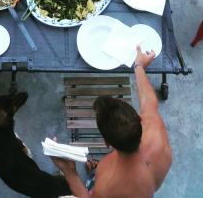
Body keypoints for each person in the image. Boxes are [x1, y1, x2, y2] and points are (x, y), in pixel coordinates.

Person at [51, 46, 172, 197]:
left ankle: (91, 177)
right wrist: (139, 66)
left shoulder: (108, 186)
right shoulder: (155, 132)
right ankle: (93, 171)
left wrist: (70, 172)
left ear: (106, 142)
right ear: (139, 120)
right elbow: (149, 102)